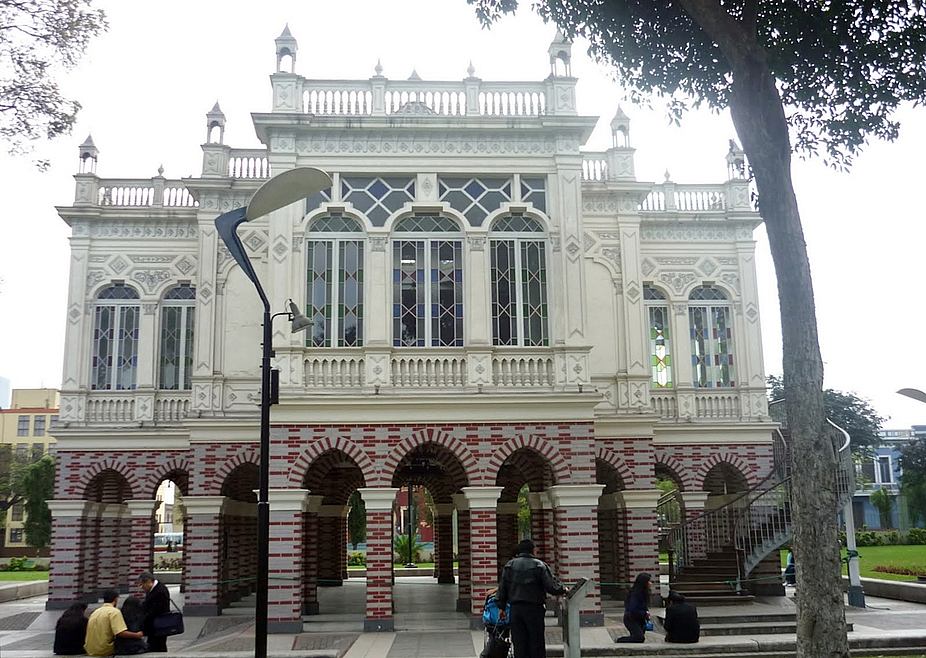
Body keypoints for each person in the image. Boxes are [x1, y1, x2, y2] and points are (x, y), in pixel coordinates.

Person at [495, 538, 565, 658]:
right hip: (534, 609)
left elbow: (502, 589)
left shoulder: (509, 565)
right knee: (536, 642)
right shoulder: (539, 565)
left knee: (519, 643)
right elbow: (551, 586)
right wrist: (563, 590)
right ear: (533, 550)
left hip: (516, 610)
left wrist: (501, 607)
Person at [84, 590, 144, 657]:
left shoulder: (95, 612)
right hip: (104, 649)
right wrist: (137, 635)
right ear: (116, 599)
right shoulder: (114, 612)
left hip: (90, 649)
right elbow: (121, 633)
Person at [138, 572, 170, 652]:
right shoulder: (153, 589)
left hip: (159, 626)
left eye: (142, 584)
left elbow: (155, 611)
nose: (141, 587)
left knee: (158, 646)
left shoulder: (160, 591)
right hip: (155, 626)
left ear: (148, 581)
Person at [616, 572, 652, 643]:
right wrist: (644, 613)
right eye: (648, 582)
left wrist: (646, 613)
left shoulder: (644, 592)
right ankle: (620, 640)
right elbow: (633, 609)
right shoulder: (635, 594)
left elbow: (644, 606)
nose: (650, 583)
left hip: (640, 619)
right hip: (631, 618)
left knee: (638, 636)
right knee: (639, 637)